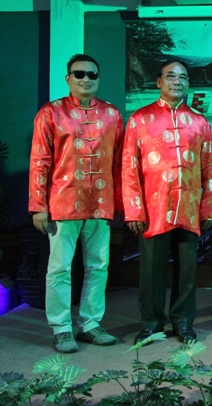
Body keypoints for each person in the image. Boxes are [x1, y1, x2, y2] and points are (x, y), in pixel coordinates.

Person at [28, 54, 122, 353]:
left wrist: (120, 204)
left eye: (92, 75)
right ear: (68, 78)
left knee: (99, 267)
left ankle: (91, 324)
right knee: (59, 269)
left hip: (100, 204)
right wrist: (38, 205)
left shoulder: (111, 114)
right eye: (79, 74)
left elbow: (119, 162)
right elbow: (40, 161)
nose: (86, 79)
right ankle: (61, 328)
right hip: (62, 203)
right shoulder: (51, 112)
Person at [122, 59, 212, 344]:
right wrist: (134, 209)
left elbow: (208, 168)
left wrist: (208, 207)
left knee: (187, 271)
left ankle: (183, 322)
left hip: (189, 207)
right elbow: (129, 166)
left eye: (183, 77)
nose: (177, 81)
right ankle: (151, 323)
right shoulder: (140, 119)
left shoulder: (199, 122)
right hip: (153, 208)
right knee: (151, 270)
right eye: (171, 76)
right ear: (159, 81)